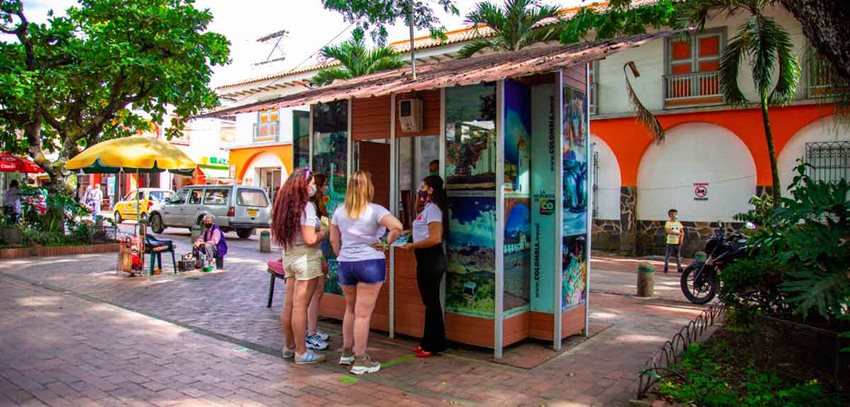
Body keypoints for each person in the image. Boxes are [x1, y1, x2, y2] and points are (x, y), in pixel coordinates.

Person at [330, 171, 402, 375]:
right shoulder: (375, 210)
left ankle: (346, 352)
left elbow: (334, 239)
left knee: (350, 309)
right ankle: (360, 359)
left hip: (346, 263)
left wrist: (341, 254)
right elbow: (397, 227)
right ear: (368, 188)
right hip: (370, 262)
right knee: (363, 314)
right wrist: (385, 243)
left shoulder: (339, 211)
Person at [272, 168, 327, 365]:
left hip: (290, 256)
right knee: (300, 307)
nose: (314, 187)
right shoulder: (307, 207)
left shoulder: (284, 206)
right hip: (305, 259)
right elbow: (310, 238)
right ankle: (302, 352)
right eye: (311, 184)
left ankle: (289, 346)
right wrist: (325, 231)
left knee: (289, 305)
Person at [401, 175, 448, 357]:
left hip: (431, 259)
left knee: (432, 302)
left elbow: (435, 238)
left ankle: (433, 344)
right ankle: (427, 341)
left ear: (431, 189)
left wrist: (413, 245)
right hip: (424, 259)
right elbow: (420, 225)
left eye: (423, 187)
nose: (419, 190)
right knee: (429, 301)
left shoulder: (434, 209)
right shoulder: (428, 208)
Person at [305, 173, 330, 350]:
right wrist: (325, 231)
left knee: (318, 291)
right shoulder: (310, 206)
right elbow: (316, 232)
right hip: (313, 253)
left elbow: (324, 225)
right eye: (324, 184)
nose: (326, 187)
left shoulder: (318, 205)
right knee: (315, 292)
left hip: (318, 251)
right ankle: (310, 333)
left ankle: (312, 329)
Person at [664, 209, 684, 273]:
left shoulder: (678, 223)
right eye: (673, 215)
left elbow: (682, 232)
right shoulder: (668, 223)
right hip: (670, 241)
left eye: (676, 214)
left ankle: (679, 267)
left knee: (678, 255)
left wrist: (681, 240)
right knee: (668, 255)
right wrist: (676, 233)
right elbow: (667, 231)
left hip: (677, 242)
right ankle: (666, 267)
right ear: (670, 215)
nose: (675, 216)